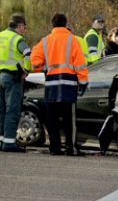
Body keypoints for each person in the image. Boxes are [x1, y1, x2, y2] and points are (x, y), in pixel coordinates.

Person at [30, 13, 88, 156]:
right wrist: (83, 81)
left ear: (52, 24)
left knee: (52, 118)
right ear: (65, 23)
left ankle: (55, 148)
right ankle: (71, 148)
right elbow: (80, 64)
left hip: (52, 85)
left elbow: (34, 61)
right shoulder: (72, 40)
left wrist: (44, 67)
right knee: (69, 119)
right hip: (68, 85)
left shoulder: (45, 41)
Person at [0, 14, 31, 152]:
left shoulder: (1, 35)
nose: (24, 30)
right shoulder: (18, 39)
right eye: (24, 27)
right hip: (12, 78)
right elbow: (28, 53)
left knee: (1, 111)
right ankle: (9, 143)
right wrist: (27, 70)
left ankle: (1, 141)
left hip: (0, 76)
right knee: (12, 111)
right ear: (19, 26)